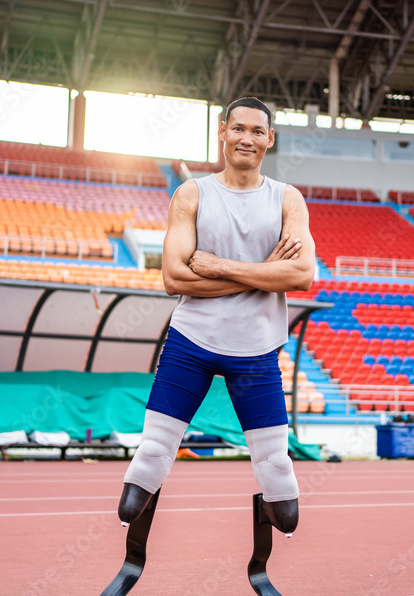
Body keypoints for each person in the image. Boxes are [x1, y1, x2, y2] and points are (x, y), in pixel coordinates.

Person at [116, 96, 316, 534]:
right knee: (150, 453)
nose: (247, 138)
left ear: (270, 140)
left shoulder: (288, 199)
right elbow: (174, 278)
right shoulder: (192, 193)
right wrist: (266, 272)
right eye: (239, 128)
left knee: (278, 472)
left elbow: (302, 273)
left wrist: (219, 265)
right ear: (222, 131)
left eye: (257, 131)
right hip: (191, 341)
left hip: (257, 347)